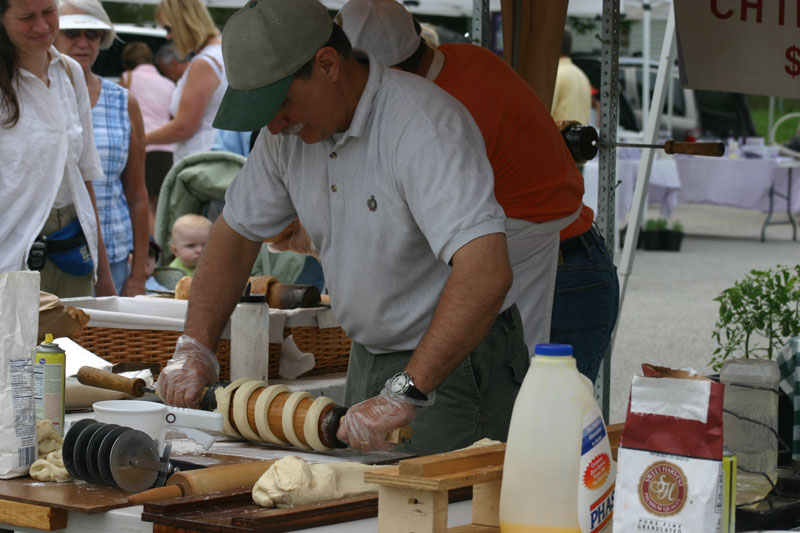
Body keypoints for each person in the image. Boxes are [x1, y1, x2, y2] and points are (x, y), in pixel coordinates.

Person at [155, 0, 526, 456]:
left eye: (281, 102)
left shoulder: (424, 126)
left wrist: (407, 390)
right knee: (364, 507)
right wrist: (195, 345)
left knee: (441, 517)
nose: (275, 123)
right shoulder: (283, 137)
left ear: (327, 64)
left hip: (456, 362)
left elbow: (486, 271)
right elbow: (235, 234)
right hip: (371, 352)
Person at [339, 0, 618, 382]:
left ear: (390, 71)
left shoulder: (446, 111)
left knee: (550, 425)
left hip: (564, 273)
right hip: (562, 259)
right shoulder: (462, 58)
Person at [0, 0, 115, 297]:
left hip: (71, 250)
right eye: (26, 17)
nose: (41, 26)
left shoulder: (70, 72)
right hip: (10, 256)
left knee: (70, 343)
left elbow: (83, 175)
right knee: (17, 344)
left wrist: (102, 272)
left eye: (49, 12)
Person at [55, 1, 149, 296]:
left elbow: (137, 193)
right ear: (52, 35)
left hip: (116, 250)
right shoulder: (35, 98)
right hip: (56, 253)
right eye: (72, 33)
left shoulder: (123, 101)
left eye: (93, 33)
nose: (83, 43)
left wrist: (139, 274)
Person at [144, 0, 226, 164]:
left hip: (200, 163)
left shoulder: (204, 63)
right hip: (218, 160)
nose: (168, 36)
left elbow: (183, 127)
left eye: (169, 28)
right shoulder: (223, 52)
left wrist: (140, 139)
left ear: (184, 23)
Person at [120, 41, 175, 235]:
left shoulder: (127, 78)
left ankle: (152, 248)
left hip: (143, 147)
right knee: (160, 205)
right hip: (168, 150)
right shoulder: (170, 84)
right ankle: (163, 248)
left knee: (145, 205)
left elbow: (122, 111)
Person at [551, 28, 592, 125]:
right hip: (578, 137)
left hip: (558, 138)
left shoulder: (556, 75)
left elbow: (544, 115)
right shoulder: (581, 75)